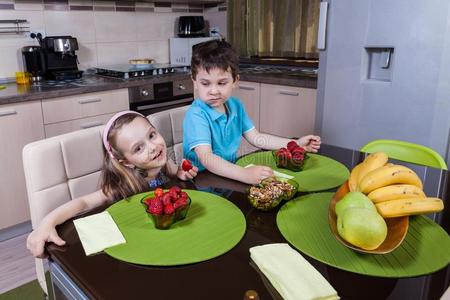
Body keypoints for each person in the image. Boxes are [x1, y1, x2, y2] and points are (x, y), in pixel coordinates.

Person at [27, 111, 198, 258]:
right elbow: (84, 202)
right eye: (138, 148)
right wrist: (47, 223)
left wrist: (180, 173)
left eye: (151, 135)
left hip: (170, 237)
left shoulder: (164, 162)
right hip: (139, 243)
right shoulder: (122, 186)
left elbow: (175, 172)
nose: (153, 147)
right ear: (127, 162)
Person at [183, 39, 321, 185]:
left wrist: (295, 144)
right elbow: (207, 158)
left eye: (222, 83)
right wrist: (244, 174)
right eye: (205, 83)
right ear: (194, 82)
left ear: (235, 81)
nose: (214, 91)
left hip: (227, 175)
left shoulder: (235, 106)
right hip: (201, 182)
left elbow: (257, 138)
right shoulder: (196, 114)